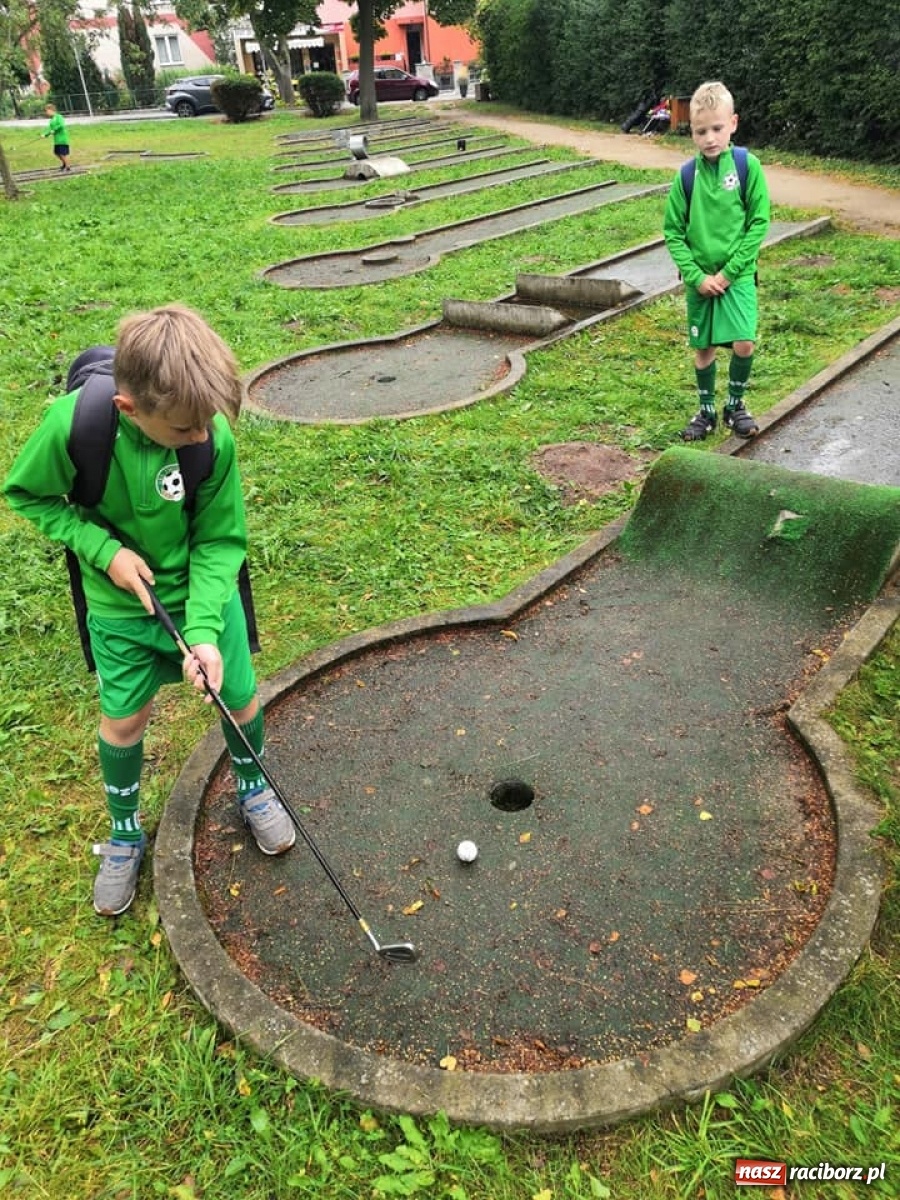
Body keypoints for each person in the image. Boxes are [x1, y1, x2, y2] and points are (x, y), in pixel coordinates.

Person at [3, 305, 295, 917]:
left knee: (237, 699)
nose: (200, 437)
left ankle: (252, 787)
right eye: (185, 429)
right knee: (125, 721)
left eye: (207, 424)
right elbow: (27, 495)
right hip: (118, 607)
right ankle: (126, 832)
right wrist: (102, 550)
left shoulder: (209, 435)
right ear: (129, 409)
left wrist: (206, 631)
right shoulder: (73, 427)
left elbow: (219, 541)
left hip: (200, 595)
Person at [663, 80, 770, 441]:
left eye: (717, 129)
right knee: (704, 347)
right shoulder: (686, 176)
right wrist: (695, 276)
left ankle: (735, 405)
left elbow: (758, 222)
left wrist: (729, 272)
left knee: (743, 342)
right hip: (700, 281)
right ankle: (706, 411)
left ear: (733, 124)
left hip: (737, 277)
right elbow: (673, 231)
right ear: (691, 132)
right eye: (701, 131)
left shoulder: (745, 167)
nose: (709, 138)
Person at [42, 103, 71, 171]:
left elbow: (61, 125)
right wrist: (45, 134)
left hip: (62, 138)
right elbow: (49, 128)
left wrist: (54, 130)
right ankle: (65, 164)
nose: (46, 113)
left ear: (51, 110)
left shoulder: (59, 117)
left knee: (62, 153)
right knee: (57, 153)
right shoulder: (51, 120)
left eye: (47, 111)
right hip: (57, 140)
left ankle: (67, 167)